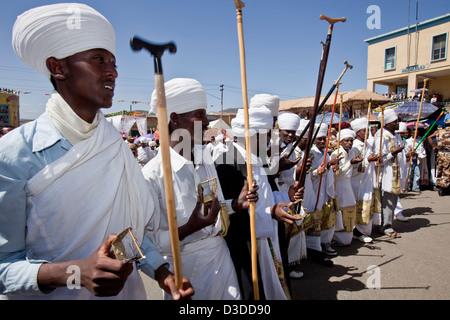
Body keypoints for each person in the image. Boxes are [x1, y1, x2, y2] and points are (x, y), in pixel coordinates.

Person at [0, 3, 193, 300]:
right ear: (58, 68)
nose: (112, 72)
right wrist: (75, 273)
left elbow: (128, 235)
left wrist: (162, 272)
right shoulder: (14, 154)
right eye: (98, 59)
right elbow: (4, 266)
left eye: (114, 63)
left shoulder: (112, 144)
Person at [142, 78, 258, 300]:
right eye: (199, 114)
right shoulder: (151, 175)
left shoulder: (205, 158)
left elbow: (214, 209)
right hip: (188, 271)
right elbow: (149, 243)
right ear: (174, 119)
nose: (207, 121)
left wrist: (235, 204)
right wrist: (189, 228)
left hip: (222, 259)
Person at [216, 106, 304, 300]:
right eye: (267, 134)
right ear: (253, 134)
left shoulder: (254, 158)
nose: (270, 140)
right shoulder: (226, 163)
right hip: (244, 244)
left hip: (265, 238)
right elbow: (229, 211)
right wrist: (270, 213)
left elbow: (266, 198)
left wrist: (286, 197)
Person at [374, 109, 405, 238]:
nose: (397, 123)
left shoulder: (396, 136)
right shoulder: (382, 137)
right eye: (394, 121)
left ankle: (388, 223)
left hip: (396, 171)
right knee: (387, 201)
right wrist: (394, 152)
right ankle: (385, 226)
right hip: (386, 173)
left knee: (392, 200)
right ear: (386, 124)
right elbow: (378, 159)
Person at [310, 123, 340, 256]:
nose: (322, 141)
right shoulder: (311, 153)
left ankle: (325, 242)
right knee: (315, 216)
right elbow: (310, 175)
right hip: (314, 190)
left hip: (325, 189)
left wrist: (331, 168)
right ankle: (314, 247)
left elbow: (326, 170)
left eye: (324, 139)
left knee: (327, 215)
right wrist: (326, 166)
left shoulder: (326, 152)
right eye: (319, 139)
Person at [350, 118, 378, 243]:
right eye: (364, 130)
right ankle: (358, 231)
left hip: (368, 180)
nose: (367, 132)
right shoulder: (355, 147)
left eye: (368, 130)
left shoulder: (368, 144)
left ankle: (364, 230)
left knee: (367, 206)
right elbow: (354, 168)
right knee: (360, 207)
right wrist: (367, 160)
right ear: (357, 132)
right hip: (357, 182)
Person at [331, 129, 358, 246]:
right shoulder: (336, 153)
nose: (349, 143)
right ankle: (337, 237)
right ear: (340, 142)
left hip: (348, 185)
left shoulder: (351, 152)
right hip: (339, 185)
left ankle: (347, 236)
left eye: (351, 141)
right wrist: (351, 163)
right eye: (346, 140)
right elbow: (338, 173)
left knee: (349, 208)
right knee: (340, 209)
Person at [428, 119, 450, 196]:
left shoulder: (440, 131)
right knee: (447, 171)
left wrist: (434, 147)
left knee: (440, 170)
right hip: (448, 153)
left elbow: (429, 137)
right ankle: (445, 188)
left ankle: (440, 186)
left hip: (440, 153)